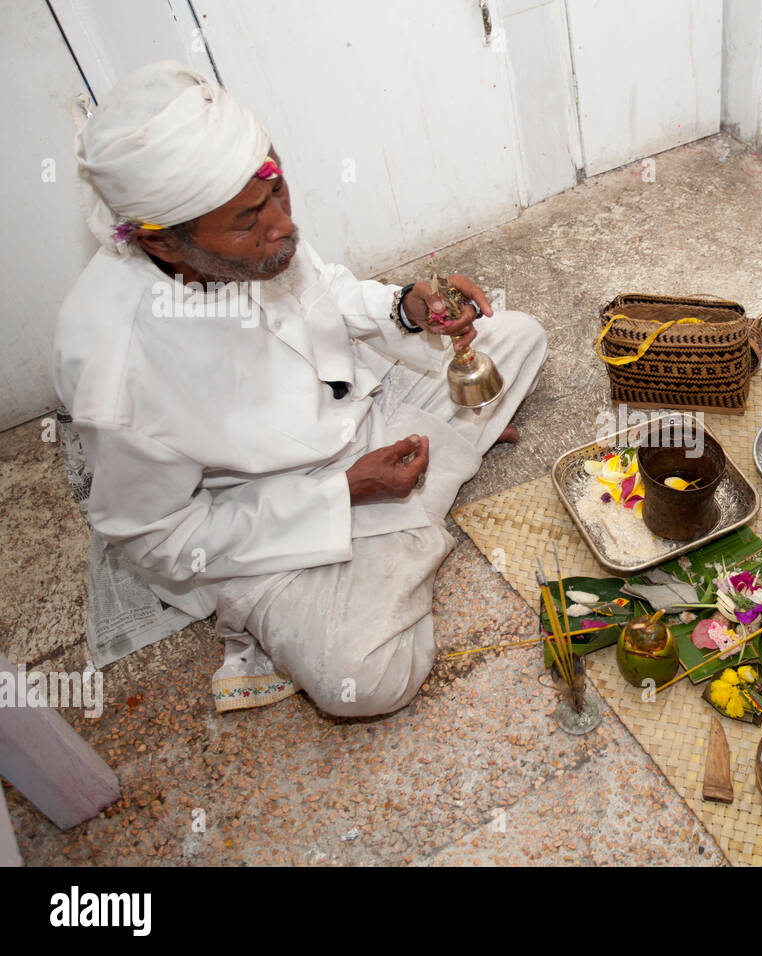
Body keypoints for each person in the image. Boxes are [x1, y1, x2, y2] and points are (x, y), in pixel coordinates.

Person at [53, 61, 547, 717]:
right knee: (367, 680)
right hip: (269, 508)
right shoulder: (118, 366)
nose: (282, 225)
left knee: (519, 336)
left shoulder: (254, 225)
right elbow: (161, 540)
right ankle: (431, 478)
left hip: (359, 411)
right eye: (250, 220)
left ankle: (426, 483)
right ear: (164, 243)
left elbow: (327, 293)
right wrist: (344, 491)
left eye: (280, 191)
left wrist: (406, 309)